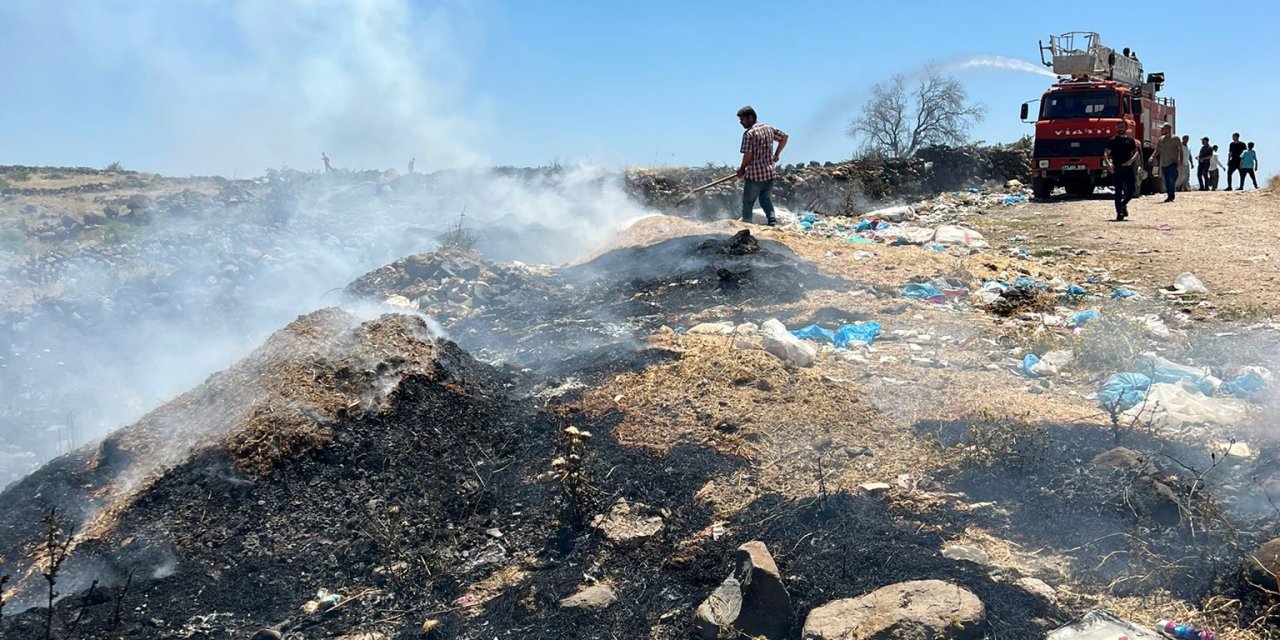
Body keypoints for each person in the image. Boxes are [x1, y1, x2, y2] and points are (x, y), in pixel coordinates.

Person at [735, 106, 788, 226]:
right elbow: (784, 137)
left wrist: (742, 169)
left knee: (748, 202)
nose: (740, 122)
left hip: (755, 175)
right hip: (769, 173)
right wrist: (776, 154)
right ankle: (772, 221)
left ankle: (746, 225)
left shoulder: (749, 134)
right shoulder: (768, 128)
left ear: (751, 117)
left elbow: (748, 155)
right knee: (765, 199)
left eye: (742, 119)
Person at [1103, 120, 1140, 220]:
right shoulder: (1112, 141)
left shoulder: (1130, 141)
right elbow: (1106, 153)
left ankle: (1123, 204)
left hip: (1128, 169)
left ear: (1126, 128)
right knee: (1118, 192)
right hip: (1117, 168)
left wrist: (1131, 161)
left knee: (1132, 190)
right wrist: (1108, 164)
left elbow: (1136, 153)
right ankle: (1119, 213)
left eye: (1122, 127)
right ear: (1116, 128)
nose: (1120, 129)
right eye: (1118, 127)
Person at [1150, 124, 1183, 202]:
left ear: (1168, 129)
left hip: (1172, 162)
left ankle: (1171, 195)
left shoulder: (1176, 139)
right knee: (1166, 180)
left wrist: (1180, 161)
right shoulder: (1161, 139)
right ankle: (1170, 195)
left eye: (1163, 129)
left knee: (1171, 178)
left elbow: (1180, 151)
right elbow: (1158, 150)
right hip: (1164, 163)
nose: (1161, 130)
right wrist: (1152, 157)